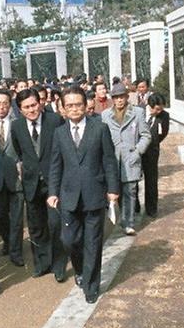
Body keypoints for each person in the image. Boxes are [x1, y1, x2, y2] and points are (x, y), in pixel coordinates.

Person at [47, 85, 119, 304]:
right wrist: (52, 192)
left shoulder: (100, 129)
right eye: (70, 105)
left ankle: (91, 285)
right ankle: (79, 269)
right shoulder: (59, 133)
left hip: (94, 194)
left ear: (86, 105)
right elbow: (55, 165)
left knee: (93, 243)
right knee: (69, 240)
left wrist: (113, 190)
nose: (75, 109)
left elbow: (109, 161)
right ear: (63, 108)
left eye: (78, 104)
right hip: (68, 197)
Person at [11, 88, 68, 281]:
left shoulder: (55, 121)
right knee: (36, 226)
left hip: (54, 182)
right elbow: (20, 152)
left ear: (40, 103)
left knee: (56, 223)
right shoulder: (16, 126)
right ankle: (42, 263)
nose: (31, 110)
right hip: (31, 183)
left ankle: (59, 266)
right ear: (20, 109)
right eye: (26, 107)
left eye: (34, 105)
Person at [101, 83, 151, 235]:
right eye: (116, 97)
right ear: (113, 99)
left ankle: (128, 223)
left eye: (122, 97)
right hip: (113, 159)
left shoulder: (137, 113)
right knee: (116, 192)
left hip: (130, 158)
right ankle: (118, 219)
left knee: (130, 191)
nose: (119, 100)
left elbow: (146, 135)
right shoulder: (105, 115)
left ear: (127, 97)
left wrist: (137, 151)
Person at [0, 89, 25, 267]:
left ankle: (16, 251)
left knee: (16, 218)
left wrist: (22, 166)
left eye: (6, 103)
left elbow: (25, 150)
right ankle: (8, 241)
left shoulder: (19, 124)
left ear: (10, 105)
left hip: (16, 177)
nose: (2, 107)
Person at [141, 94, 170, 218]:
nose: (159, 111)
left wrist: (154, 142)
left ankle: (151, 209)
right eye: (157, 109)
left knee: (151, 180)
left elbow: (163, 133)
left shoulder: (164, 116)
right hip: (136, 150)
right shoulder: (138, 112)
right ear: (150, 106)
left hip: (152, 151)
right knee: (134, 180)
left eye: (161, 109)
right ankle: (135, 207)